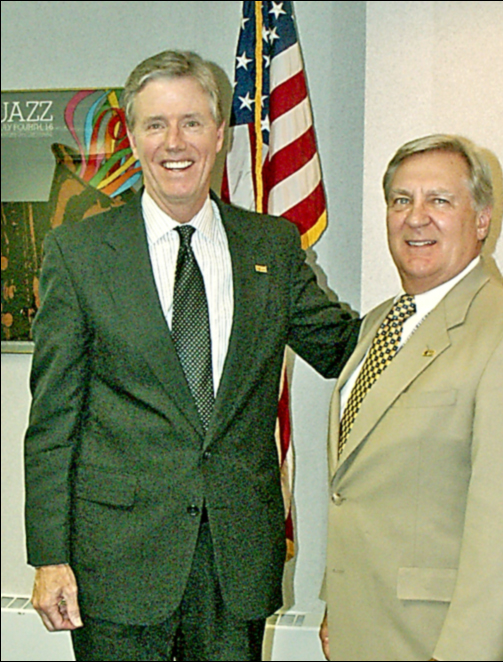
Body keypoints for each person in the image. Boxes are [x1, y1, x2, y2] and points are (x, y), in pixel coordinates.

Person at [24, 50, 360, 662]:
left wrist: (434, 307)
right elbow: (51, 422)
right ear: (132, 136)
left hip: (234, 566)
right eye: (156, 124)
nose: (174, 142)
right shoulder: (77, 253)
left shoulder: (272, 247)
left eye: (192, 122)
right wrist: (49, 556)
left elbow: (343, 349)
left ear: (220, 133)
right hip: (117, 566)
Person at [319, 135, 503, 661]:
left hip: (445, 646)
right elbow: (362, 491)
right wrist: (338, 605)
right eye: (401, 200)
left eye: (439, 200)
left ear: (482, 219)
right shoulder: (377, 326)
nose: (416, 217)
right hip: (364, 635)